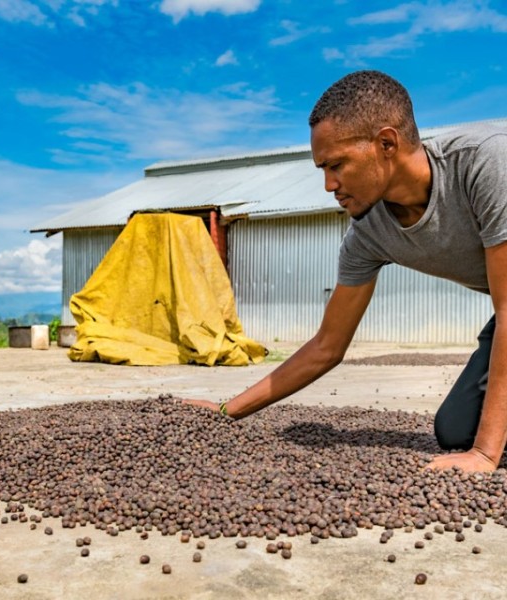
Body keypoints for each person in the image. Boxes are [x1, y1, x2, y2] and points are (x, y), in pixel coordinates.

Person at [186, 70, 507, 473]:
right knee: (457, 430)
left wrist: (485, 454)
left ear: (386, 143)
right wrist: (225, 410)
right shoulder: (368, 233)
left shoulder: (486, 163)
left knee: (482, 440)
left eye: (336, 165)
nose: (328, 184)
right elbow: (327, 346)